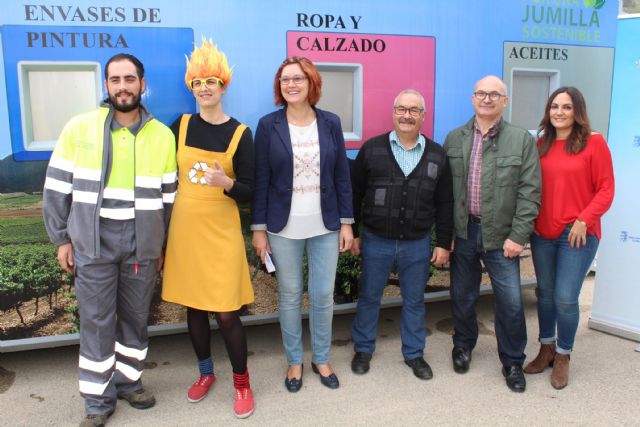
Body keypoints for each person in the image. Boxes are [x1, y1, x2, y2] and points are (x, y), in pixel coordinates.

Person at [43, 53, 177, 427]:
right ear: (106, 85)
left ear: (142, 84)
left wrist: (161, 245)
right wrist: (61, 239)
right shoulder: (79, 128)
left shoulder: (162, 136)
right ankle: (97, 401)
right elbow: (56, 188)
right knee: (97, 321)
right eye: (115, 79)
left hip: (142, 244)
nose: (123, 86)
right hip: (93, 242)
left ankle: (129, 382)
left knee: (135, 317)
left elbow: (169, 199)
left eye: (129, 79)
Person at [161, 39, 255, 418]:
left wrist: (227, 183)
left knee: (228, 313)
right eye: (197, 83)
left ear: (223, 86)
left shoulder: (241, 133)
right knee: (195, 308)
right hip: (186, 227)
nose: (204, 88)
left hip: (222, 229)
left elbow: (250, 190)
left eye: (211, 81)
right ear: (191, 88)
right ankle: (205, 374)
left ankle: (242, 384)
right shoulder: (180, 126)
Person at [251, 56, 354, 392]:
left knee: (323, 295)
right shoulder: (268, 125)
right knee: (290, 295)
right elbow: (261, 179)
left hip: (326, 225)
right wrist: (258, 229)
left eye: (298, 78)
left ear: (312, 83)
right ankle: (294, 360)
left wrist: (347, 223)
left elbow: (342, 176)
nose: (291, 84)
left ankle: (321, 358)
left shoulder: (330, 122)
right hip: (283, 227)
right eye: (285, 80)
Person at [443, 75, 541, 393]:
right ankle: (463, 345)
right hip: (464, 232)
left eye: (494, 94)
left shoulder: (520, 139)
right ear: (473, 98)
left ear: (505, 101)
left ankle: (512, 361)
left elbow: (530, 192)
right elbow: (445, 193)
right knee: (462, 295)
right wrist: (447, 233)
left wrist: (518, 235)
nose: (487, 99)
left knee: (510, 302)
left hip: (502, 237)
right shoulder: (454, 138)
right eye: (481, 93)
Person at [349, 89, 453, 380]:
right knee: (369, 297)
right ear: (393, 113)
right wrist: (353, 232)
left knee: (414, 300)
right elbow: (355, 192)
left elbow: (445, 202)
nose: (407, 115)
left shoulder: (437, 155)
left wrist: (443, 242)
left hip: (417, 243)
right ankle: (363, 349)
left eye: (413, 110)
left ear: (423, 116)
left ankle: (414, 354)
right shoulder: (372, 149)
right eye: (401, 109)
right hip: (376, 240)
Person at [524, 87, 614, 389]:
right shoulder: (540, 144)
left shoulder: (594, 143)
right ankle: (546, 347)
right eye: (554, 106)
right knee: (546, 294)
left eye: (566, 107)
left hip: (577, 234)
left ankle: (563, 354)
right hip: (543, 232)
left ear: (578, 111)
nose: (559, 112)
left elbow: (606, 189)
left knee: (564, 296)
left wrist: (584, 220)